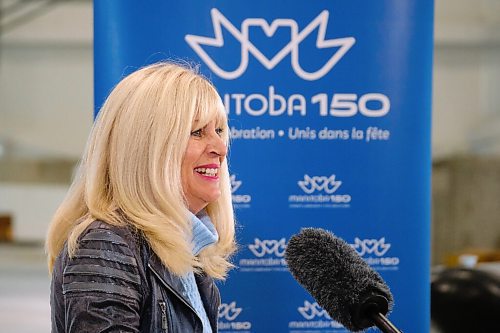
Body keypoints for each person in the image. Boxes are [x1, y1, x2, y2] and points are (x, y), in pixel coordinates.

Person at [46, 62, 236, 333]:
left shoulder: (186, 253)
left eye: (219, 131)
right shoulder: (105, 244)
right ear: (146, 147)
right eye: (197, 132)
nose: (220, 147)